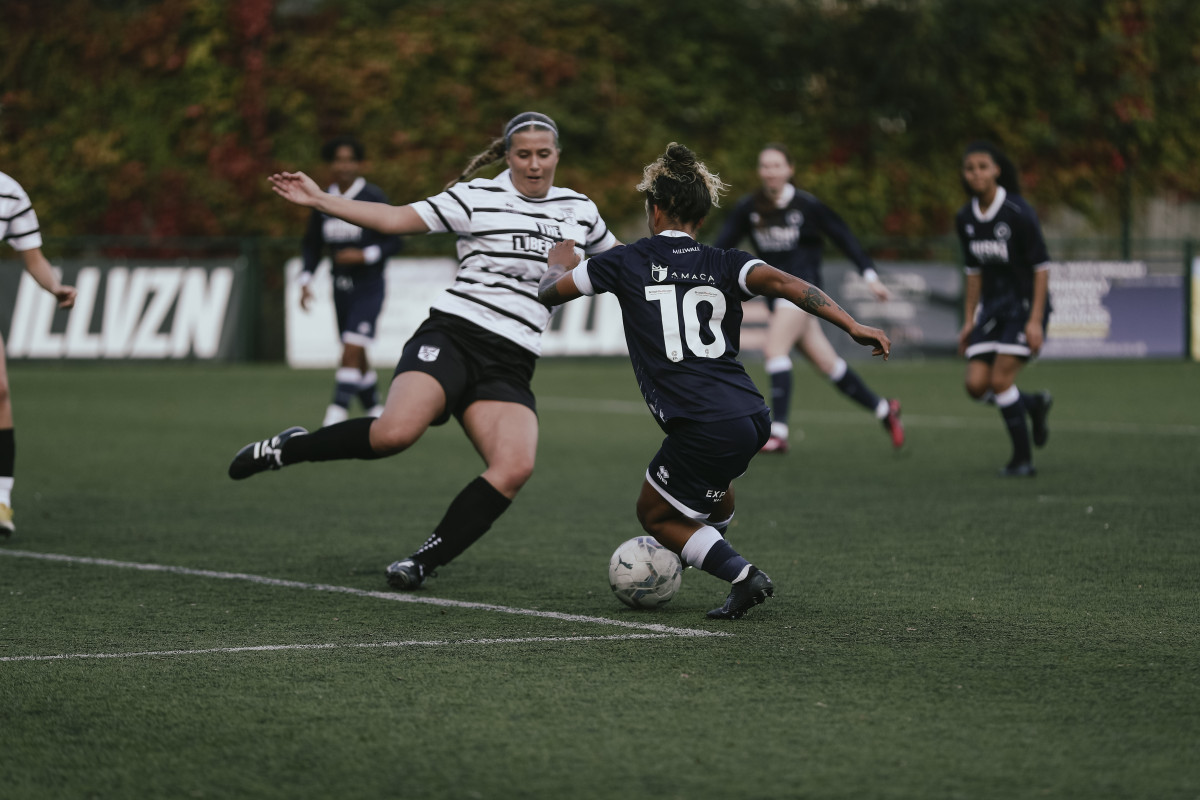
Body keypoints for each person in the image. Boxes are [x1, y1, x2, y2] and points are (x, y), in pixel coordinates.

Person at [230, 112, 618, 588]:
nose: (534, 164)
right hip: (454, 335)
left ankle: (421, 562)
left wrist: (673, 262)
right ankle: (290, 448)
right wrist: (318, 200)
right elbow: (393, 218)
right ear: (507, 156)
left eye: (543, 154)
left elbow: (621, 262)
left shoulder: (581, 209)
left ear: (557, 155)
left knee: (515, 467)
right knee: (393, 434)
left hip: (513, 358)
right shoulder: (477, 196)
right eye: (523, 154)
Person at [538, 143, 891, 620]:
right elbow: (790, 285)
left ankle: (742, 575)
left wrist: (559, 262)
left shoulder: (625, 261)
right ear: (702, 218)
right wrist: (852, 325)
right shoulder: (727, 262)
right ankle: (708, 546)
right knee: (713, 488)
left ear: (654, 210)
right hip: (750, 414)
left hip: (702, 423)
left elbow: (548, 293)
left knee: (654, 513)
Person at [713, 144, 903, 454]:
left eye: (777, 165)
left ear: (790, 169)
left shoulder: (807, 206)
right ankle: (885, 409)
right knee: (829, 365)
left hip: (803, 294)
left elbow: (844, 237)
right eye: (765, 166)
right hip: (777, 298)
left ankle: (778, 432)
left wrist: (870, 276)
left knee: (774, 349)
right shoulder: (750, 207)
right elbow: (722, 245)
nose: (770, 171)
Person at [955, 141, 1053, 477]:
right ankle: (1033, 404)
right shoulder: (965, 217)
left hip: (1024, 307)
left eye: (983, 166)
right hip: (992, 309)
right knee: (975, 385)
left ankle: (1022, 461)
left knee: (999, 381)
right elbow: (973, 273)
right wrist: (969, 320)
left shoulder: (1018, 211)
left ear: (997, 170)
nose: (976, 174)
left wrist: (1035, 320)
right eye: (970, 168)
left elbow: (1041, 267)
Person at [298, 136, 403, 427]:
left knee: (351, 347)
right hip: (340, 286)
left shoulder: (372, 196)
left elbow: (395, 241)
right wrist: (305, 279)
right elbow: (312, 244)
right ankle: (375, 410)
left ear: (359, 164)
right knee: (355, 348)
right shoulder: (323, 199)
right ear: (331, 164)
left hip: (369, 286)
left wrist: (365, 255)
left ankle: (335, 415)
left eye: (350, 160)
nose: (344, 166)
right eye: (338, 160)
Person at [0, 171, 77, 539]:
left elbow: (33, 258)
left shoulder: (9, 192)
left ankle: (0, 500)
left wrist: (54, 286)